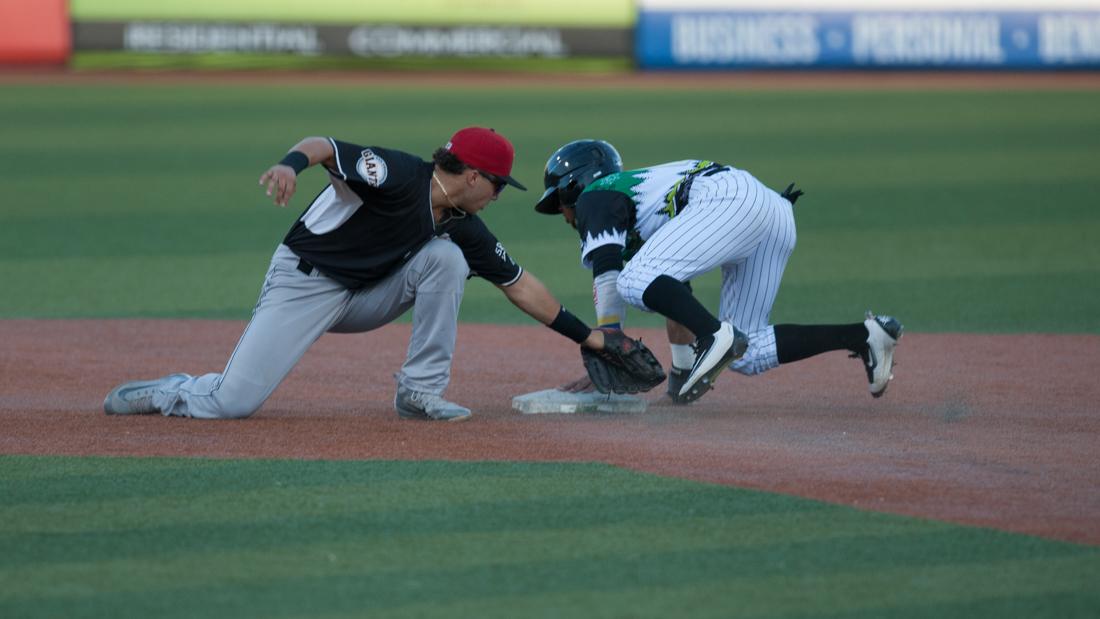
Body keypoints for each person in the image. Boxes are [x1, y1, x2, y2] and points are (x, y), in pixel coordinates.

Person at [103, 127, 606, 421]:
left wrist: (592, 340)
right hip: (304, 284)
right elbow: (323, 144)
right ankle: (174, 389)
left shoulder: (463, 224)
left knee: (447, 258)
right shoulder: (396, 174)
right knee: (232, 404)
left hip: (367, 296)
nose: (498, 197)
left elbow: (520, 285)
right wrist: (288, 167)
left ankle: (419, 391)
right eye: (498, 186)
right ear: (473, 176)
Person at [535, 139, 903, 404]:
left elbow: (608, 275)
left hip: (728, 199)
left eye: (559, 205)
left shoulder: (595, 195)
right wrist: (679, 375)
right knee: (747, 351)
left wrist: (609, 342)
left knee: (633, 281)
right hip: (771, 212)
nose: (564, 216)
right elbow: (676, 296)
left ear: (574, 187)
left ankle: (714, 335)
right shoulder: (637, 209)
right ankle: (865, 335)